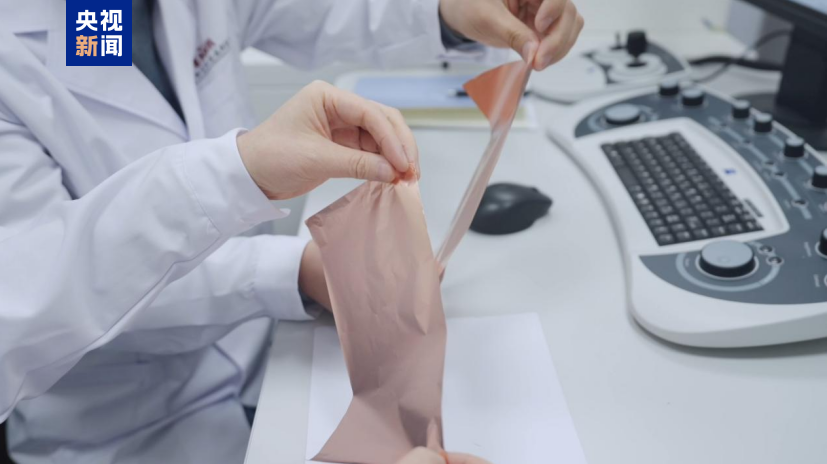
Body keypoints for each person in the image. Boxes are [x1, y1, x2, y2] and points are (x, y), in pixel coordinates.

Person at [0, 0, 583, 463]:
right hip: (129, 429)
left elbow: (325, 10)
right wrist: (278, 248)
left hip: (267, 363)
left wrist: (445, 11)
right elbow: (36, 289)